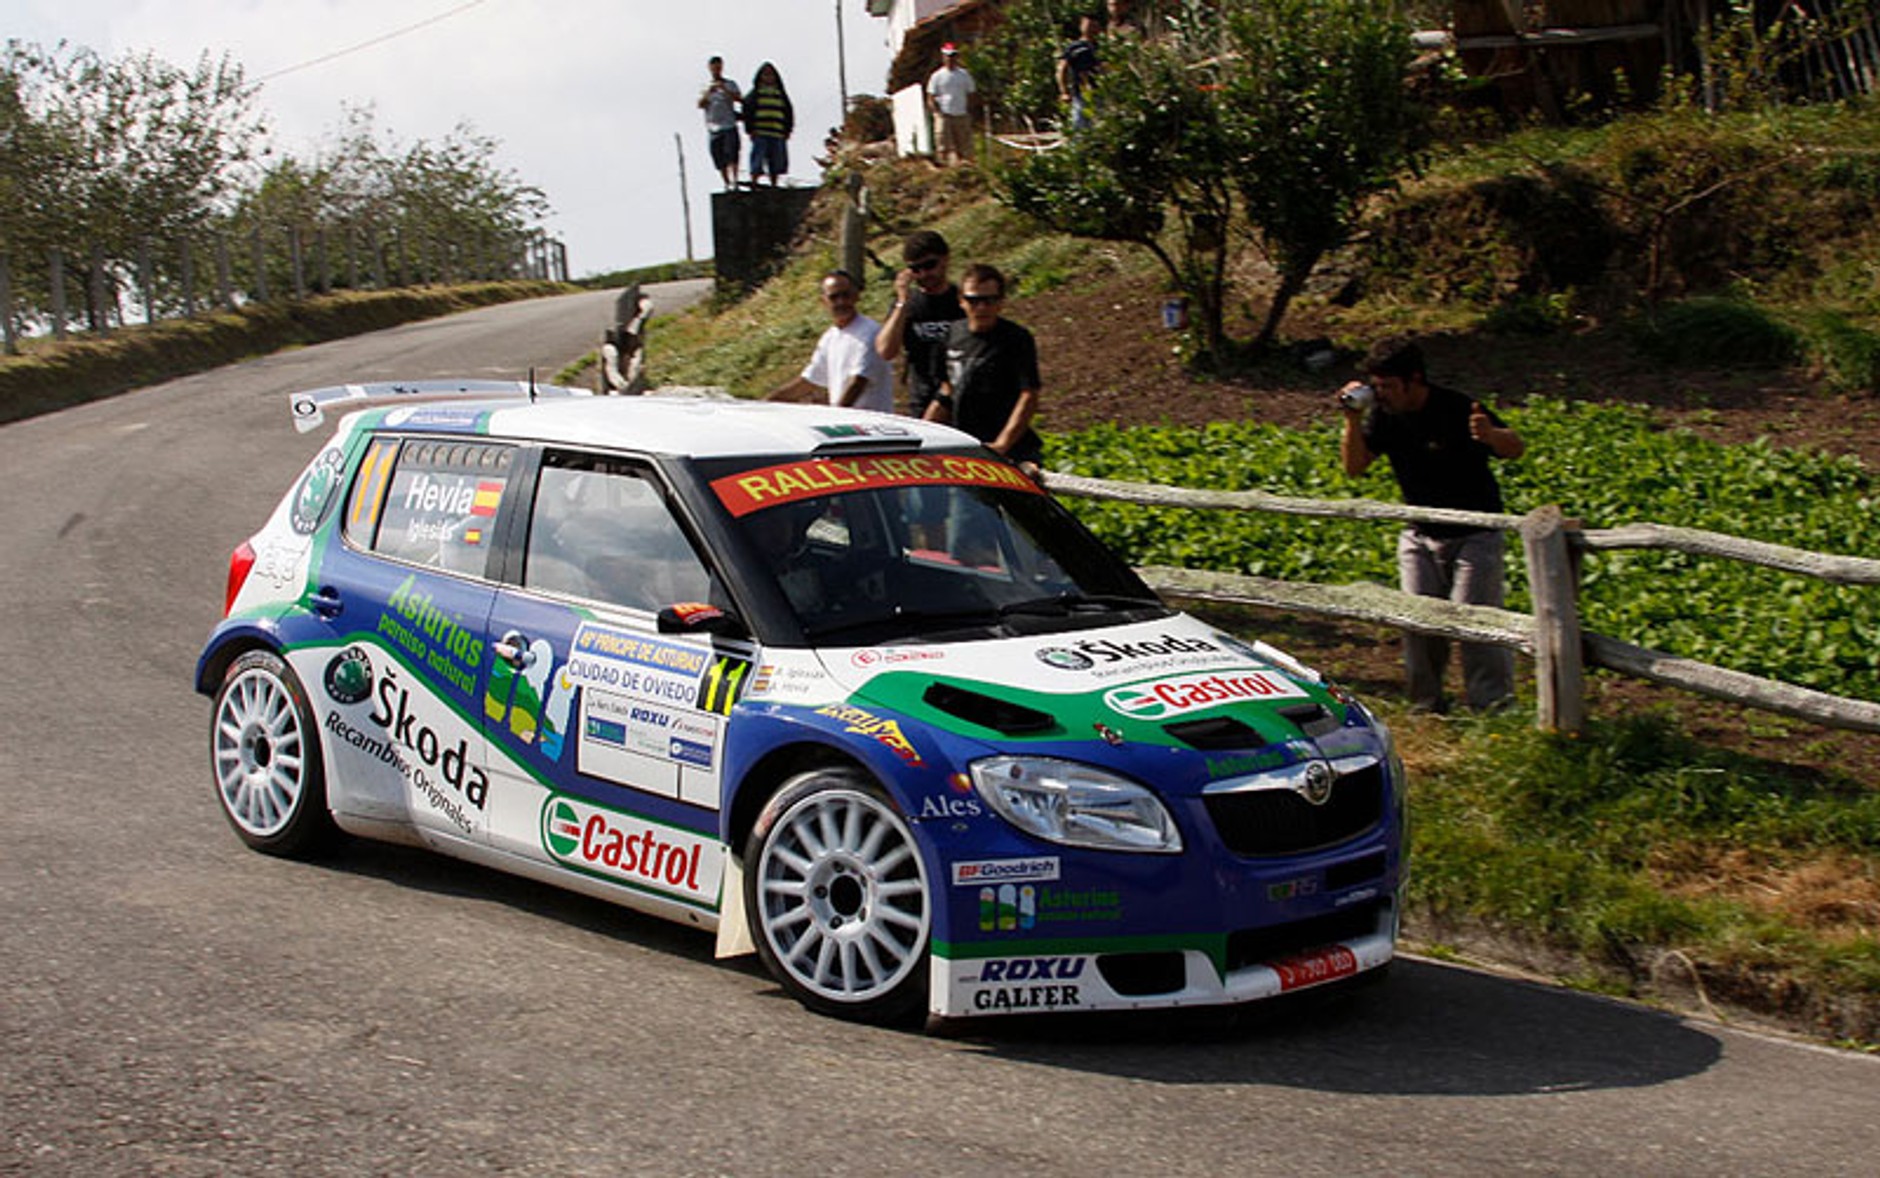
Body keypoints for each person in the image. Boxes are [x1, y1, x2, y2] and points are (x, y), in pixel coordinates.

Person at [1338, 337, 1526, 713]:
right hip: (1420, 532)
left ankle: (1492, 704)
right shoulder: (1383, 415)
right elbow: (1354, 467)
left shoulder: (1456, 407)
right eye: (1376, 387)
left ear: (1415, 379)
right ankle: (1426, 703)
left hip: (1475, 532)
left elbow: (1514, 448)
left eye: (1389, 386)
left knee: (1475, 621)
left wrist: (1490, 436)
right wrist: (1352, 421)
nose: (1382, 394)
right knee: (1417, 622)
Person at [924, 263, 1043, 475]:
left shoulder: (1016, 339)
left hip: (1011, 451)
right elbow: (946, 392)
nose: (982, 308)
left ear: (1001, 302)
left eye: (990, 300)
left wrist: (1001, 445)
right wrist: (922, 434)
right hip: (965, 450)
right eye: (974, 300)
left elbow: (1029, 395)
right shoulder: (951, 336)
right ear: (961, 301)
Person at [768, 270, 894, 413]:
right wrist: (766, 403)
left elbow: (858, 383)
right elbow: (808, 382)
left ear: (856, 296)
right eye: (834, 297)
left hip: (870, 427)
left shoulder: (871, 332)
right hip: (844, 424)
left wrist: (835, 415)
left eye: (845, 295)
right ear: (824, 301)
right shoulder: (829, 338)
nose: (841, 302)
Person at [875, 230, 965, 419]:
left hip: (963, 400)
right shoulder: (908, 306)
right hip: (922, 400)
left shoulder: (963, 301)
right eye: (916, 269)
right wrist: (902, 303)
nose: (924, 274)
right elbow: (885, 350)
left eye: (930, 265)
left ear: (945, 259)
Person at [743, 61, 793, 187]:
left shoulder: (780, 94)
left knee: (776, 160)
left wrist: (787, 130)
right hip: (760, 131)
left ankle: (774, 183)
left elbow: (788, 112)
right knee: (757, 158)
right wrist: (749, 129)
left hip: (777, 132)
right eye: (765, 75)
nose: (768, 78)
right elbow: (747, 110)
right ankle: (755, 180)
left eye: (771, 75)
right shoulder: (755, 93)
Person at [926, 43, 977, 167]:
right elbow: (931, 96)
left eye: (953, 56)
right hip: (943, 114)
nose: (950, 59)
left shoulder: (964, 75)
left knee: (964, 143)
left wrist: (969, 109)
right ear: (943, 57)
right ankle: (944, 166)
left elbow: (971, 93)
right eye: (948, 56)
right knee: (942, 142)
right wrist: (936, 112)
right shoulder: (937, 76)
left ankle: (966, 166)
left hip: (961, 113)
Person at [697, 56, 742, 191]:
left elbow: (739, 98)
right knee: (718, 156)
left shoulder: (730, 84)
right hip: (713, 127)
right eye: (714, 67)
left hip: (729, 125)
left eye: (719, 66)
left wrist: (725, 90)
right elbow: (700, 104)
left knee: (732, 153)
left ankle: (735, 181)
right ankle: (726, 182)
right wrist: (709, 92)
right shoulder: (705, 86)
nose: (716, 69)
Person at [1057, 15, 1102, 132]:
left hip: (1101, 92)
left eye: (1093, 25)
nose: (1090, 28)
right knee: (1079, 124)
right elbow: (1062, 69)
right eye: (1087, 25)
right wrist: (1064, 91)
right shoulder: (1074, 47)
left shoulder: (1102, 47)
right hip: (1081, 92)